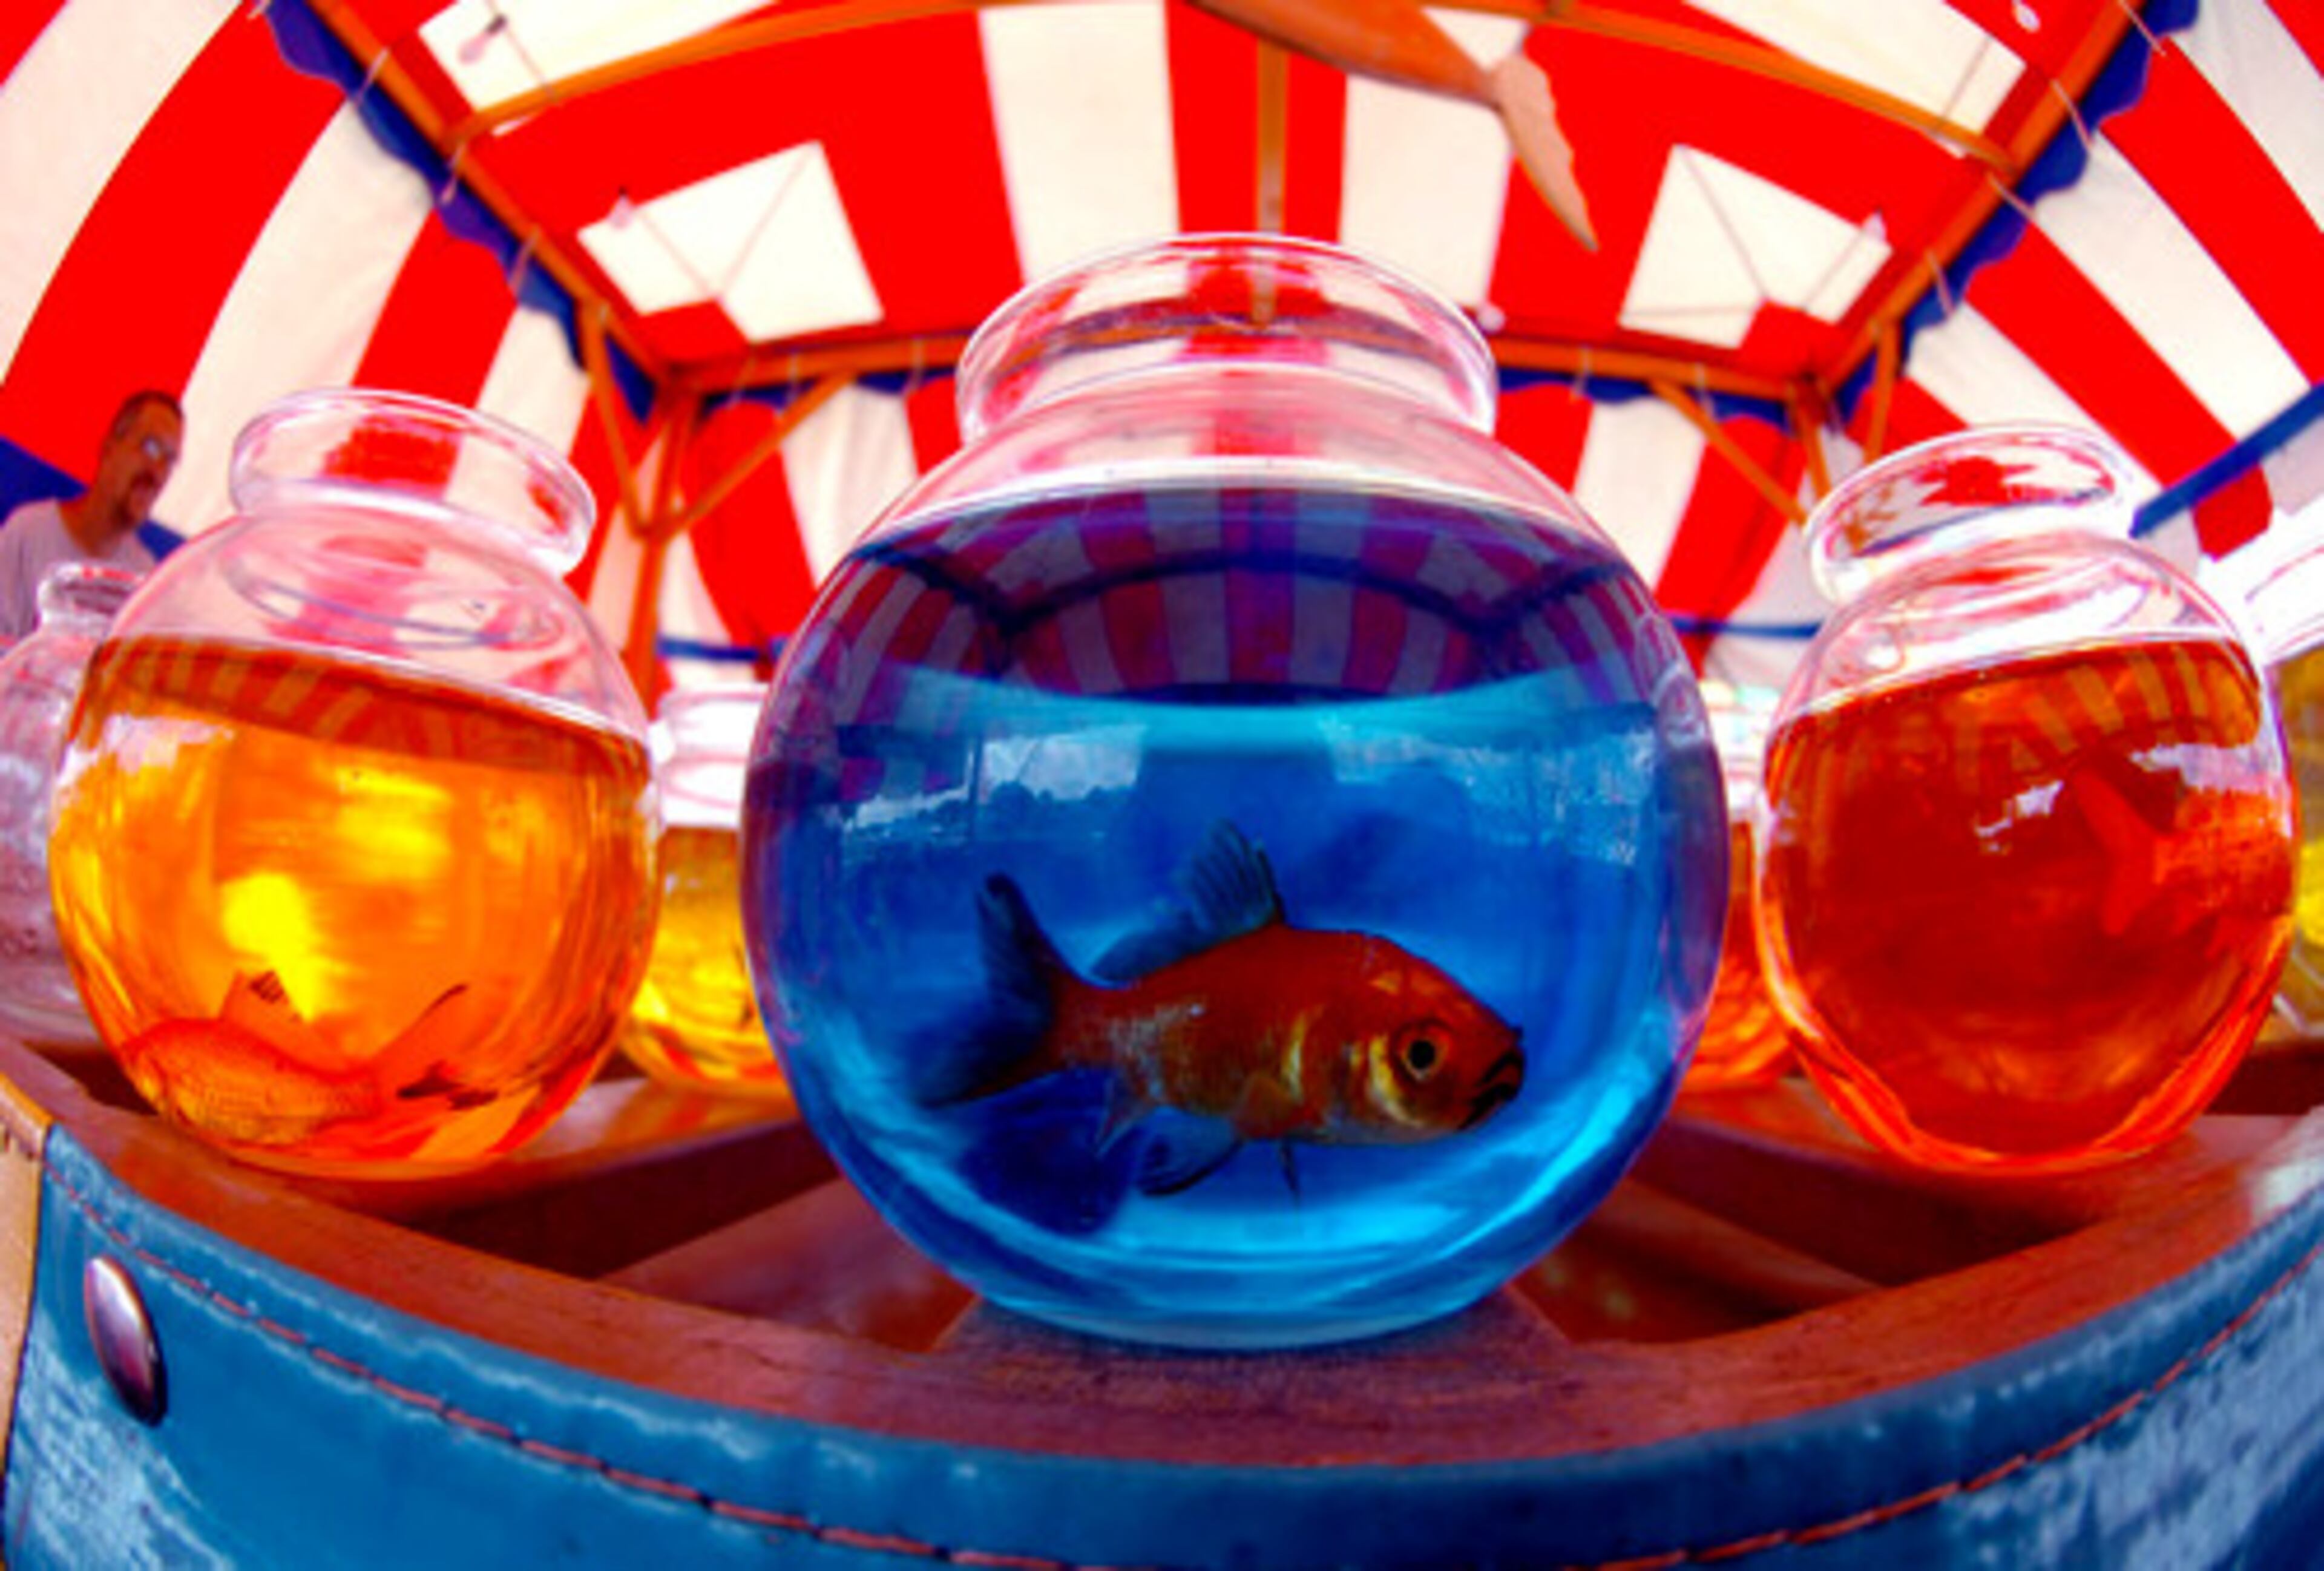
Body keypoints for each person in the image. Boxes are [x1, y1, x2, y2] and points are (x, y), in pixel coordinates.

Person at [0, 390, 180, 641]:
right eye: (150, 448)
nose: (157, 473)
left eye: (170, 461)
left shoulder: (144, 587)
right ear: (109, 447)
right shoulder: (28, 532)